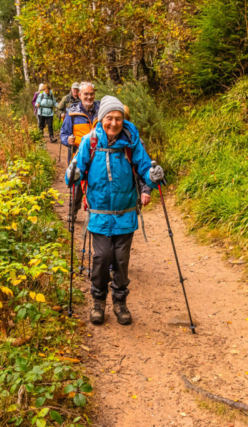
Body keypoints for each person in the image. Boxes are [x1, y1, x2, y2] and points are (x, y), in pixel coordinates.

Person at [65, 95, 165, 326]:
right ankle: (98, 302)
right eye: (109, 118)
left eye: (118, 118)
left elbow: (144, 168)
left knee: (121, 260)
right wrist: (72, 175)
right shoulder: (90, 142)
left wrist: (155, 176)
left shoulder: (131, 142)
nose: (114, 123)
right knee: (101, 258)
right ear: (101, 119)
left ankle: (120, 303)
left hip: (125, 213)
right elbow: (75, 170)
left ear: (123, 120)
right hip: (99, 214)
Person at [60, 81, 99, 221]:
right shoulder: (72, 113)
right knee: (76, 185)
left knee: (98, 184)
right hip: (78, 154)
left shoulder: (102, 110)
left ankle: (96, 213)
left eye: (91, 94)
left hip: (99, 155)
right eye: (86, 94)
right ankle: (72, 211)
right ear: (80, 95)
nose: (89, 97)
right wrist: (67, 140)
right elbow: (63, 134)